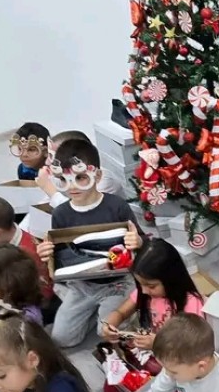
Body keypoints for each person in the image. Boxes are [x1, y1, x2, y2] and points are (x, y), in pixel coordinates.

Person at [36, 139, 143, 347]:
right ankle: (95, 312)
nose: (72, 186)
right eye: (63, 179)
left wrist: (137, 241)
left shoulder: (116, 206)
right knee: (62, 339)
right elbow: (62, 253)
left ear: (98, 176)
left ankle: (123, 308)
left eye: (81, 177)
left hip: (118, 284)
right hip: (81, 285)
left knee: (108, 334)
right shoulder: (61, 213)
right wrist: (48, 253)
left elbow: (141, 243)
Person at [100, 238, 204, 350]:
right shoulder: (147, 293)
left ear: (171, 279)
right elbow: (121, 312)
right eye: (140, 284)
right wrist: (109, 324)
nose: (144, 291)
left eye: (151, 286)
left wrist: (158, 344)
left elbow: (194, 345)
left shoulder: (191, 303)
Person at [36, 130, 123, 206]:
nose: (47, 162)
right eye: (49, 155)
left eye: (53, 156)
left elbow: (83, 214)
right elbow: (43, 205)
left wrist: (51, 191)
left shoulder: (103, 179)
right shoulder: (62, 176)